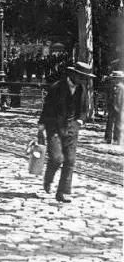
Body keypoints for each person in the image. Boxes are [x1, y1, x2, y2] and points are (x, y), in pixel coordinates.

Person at [38, 61, 92, 203]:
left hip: (72, 128)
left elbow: (85, 109)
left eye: (85, 78)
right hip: (54, 127)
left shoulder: (83, 89)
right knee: (57, 158)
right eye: (81, 76)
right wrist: (41, 126)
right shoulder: (57, 87)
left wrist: (80, 121)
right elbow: (47, 108)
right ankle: (48, 179)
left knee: (70, 160)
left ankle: (62, 192)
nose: (83, 80)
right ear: (73, 74)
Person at [105, 71, 124, 145]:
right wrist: (107, 105)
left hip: (120, 107)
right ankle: (108, 138)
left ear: (120, 79)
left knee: (118, 123)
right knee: (109, 123)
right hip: (111, 107)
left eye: (116, 79)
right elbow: (108, 97)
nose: (115, 80)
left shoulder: (122, 88)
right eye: (114, 79)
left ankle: (116, 139)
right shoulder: (111, 87)